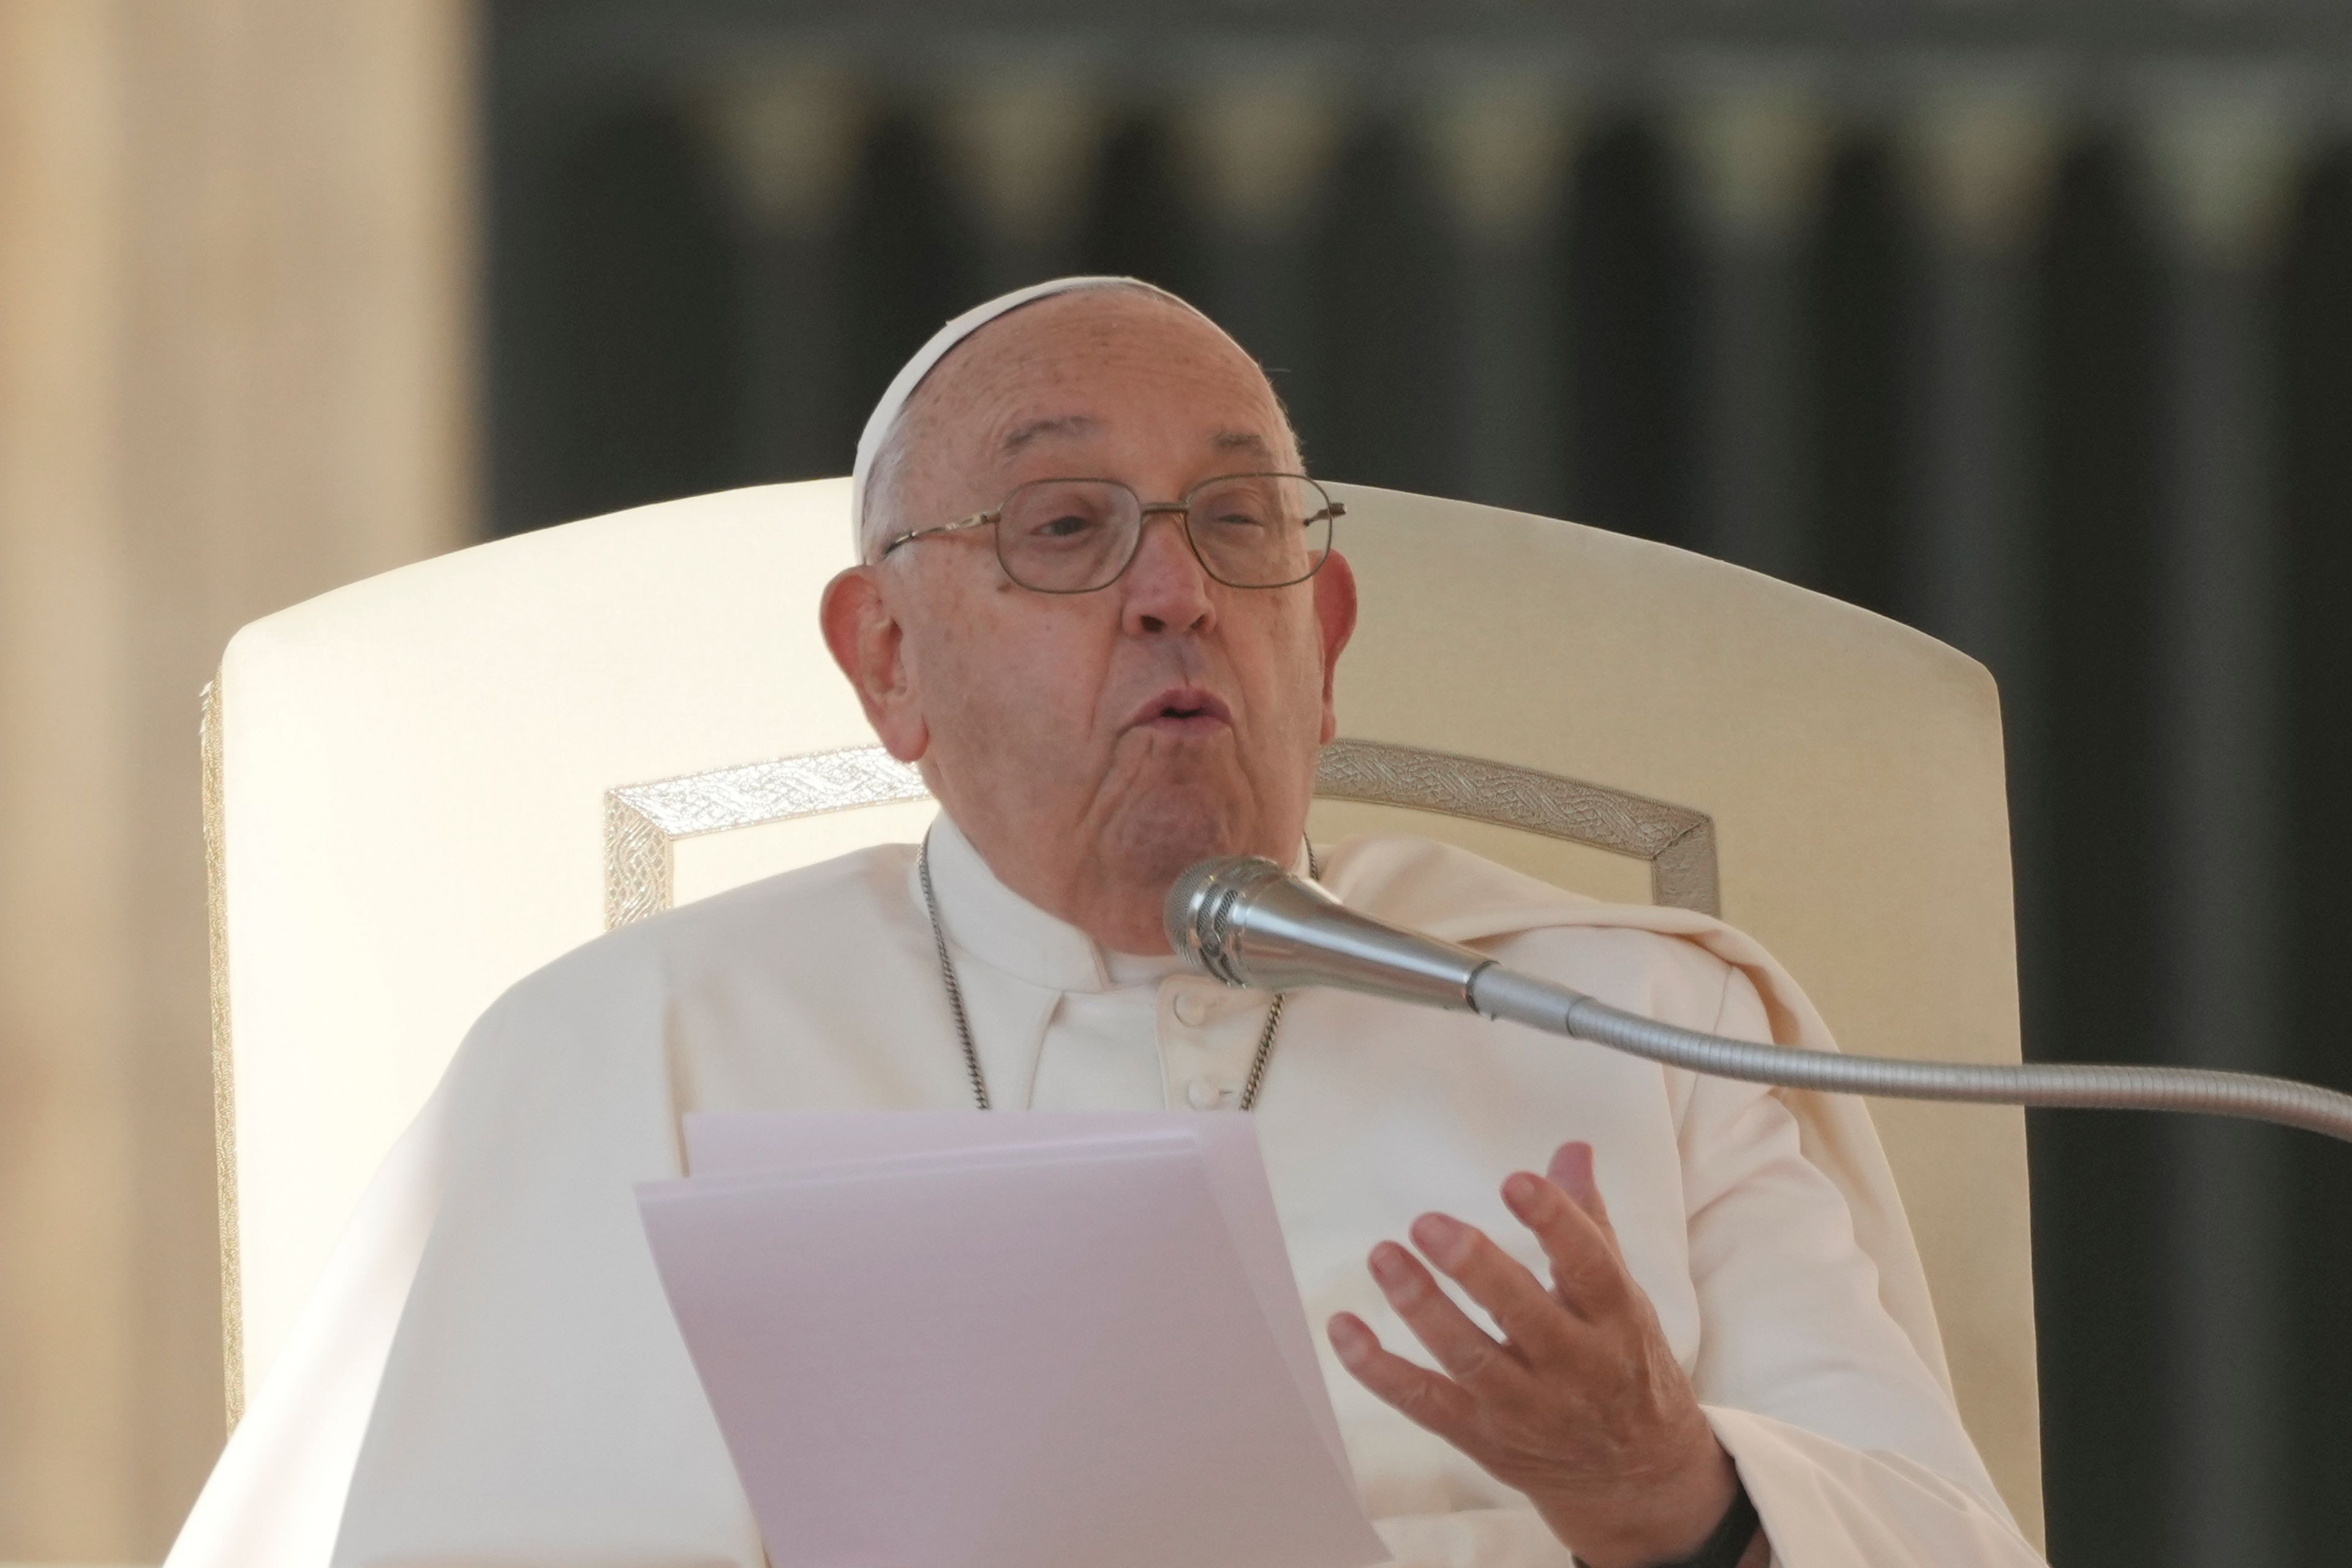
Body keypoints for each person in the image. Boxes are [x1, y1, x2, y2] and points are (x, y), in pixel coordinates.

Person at [167, 277, 2045, 1568]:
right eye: (1066, 529)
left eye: (1239, 530)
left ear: (1325, 642)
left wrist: (1675, 1500)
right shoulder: (625, 1055)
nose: (1174, 593)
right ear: (887, 660)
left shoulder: (1625, 1026)